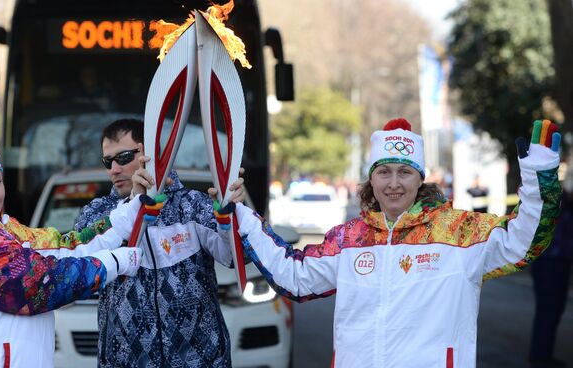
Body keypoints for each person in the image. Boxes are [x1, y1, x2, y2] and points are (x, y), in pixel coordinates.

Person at [231, 118, 562, 368]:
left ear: (420, 178)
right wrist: (242, 216)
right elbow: (294, 277)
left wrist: (538, 179)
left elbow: (525, 240)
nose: (393, 184)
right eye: (384, 172)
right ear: (371, 179)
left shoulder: (460, 233)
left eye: (404, 172)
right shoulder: (350, 239)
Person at [0, 123, 143, 368]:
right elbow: (41, 283)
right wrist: (117, 261)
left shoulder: (3, 230)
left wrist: (128, 214)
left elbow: (63, 248)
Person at [74, 118, 244, 367]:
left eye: (122, 157)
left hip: (199, 361)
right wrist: (134, 203)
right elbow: (82, 254)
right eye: (107, 161)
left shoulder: (192, 206)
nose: (114, 169)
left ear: (150, 154)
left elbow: (235, 257)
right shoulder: (99, 212)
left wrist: (233, 217)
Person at [529, 182, 573, 368]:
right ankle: (540, 355)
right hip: (552, 262)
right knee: (549, 309)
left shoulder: (552, 199)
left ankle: (540, 353)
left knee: (549, 309)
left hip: (550, 260)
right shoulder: (556, 201)